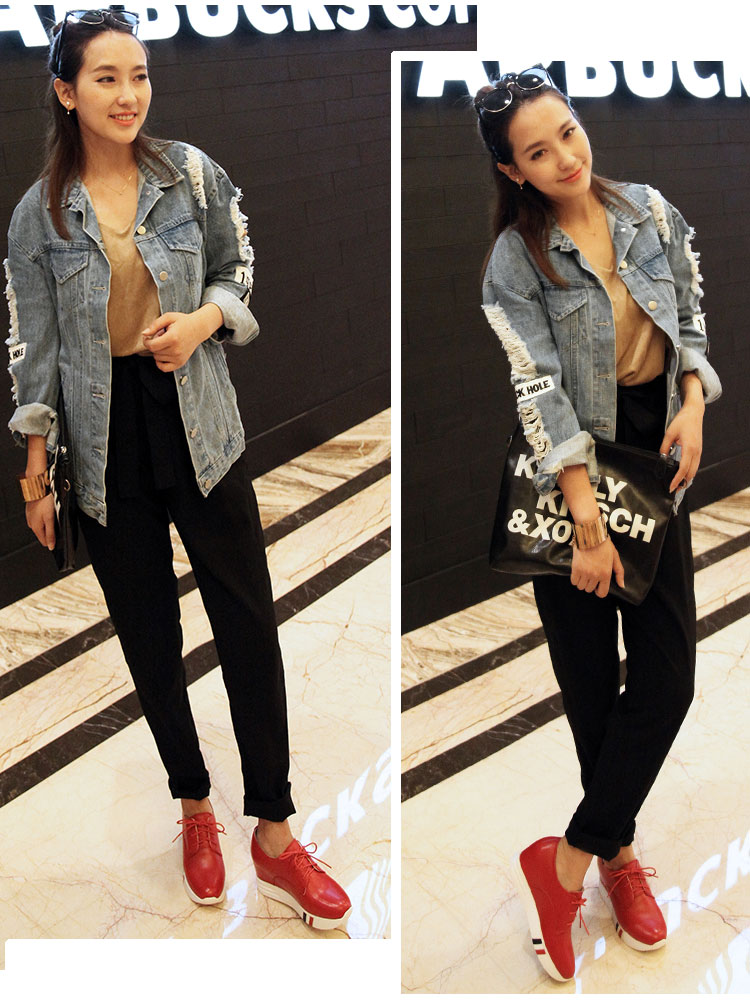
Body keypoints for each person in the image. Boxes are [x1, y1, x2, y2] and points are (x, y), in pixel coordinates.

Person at [5, 8, 351, 930]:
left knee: (247, 621)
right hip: (102, 434)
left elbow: (238, 272)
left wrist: (203, 321)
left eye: (140, 75)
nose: (129, 95)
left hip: (198, 419)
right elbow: (34, 351)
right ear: (65, 91)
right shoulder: (39, 216)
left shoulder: (190, 174)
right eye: (106, 78)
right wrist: (37, 472)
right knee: (150, 635)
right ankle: (194, 804)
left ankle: (273, 829)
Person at [474, 68, 721, 981]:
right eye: (538, 152)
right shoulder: (515, 262)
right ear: (513, 170)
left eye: (568, 134)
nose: (565, 157)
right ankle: (614, 857)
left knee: (667, 675)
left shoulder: (649, 211)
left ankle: (567, 860)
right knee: (588, 685)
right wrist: (584, 519)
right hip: (569, 471)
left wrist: (693, 401)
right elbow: (536, 387)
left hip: (653, 460)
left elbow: (689, 314)